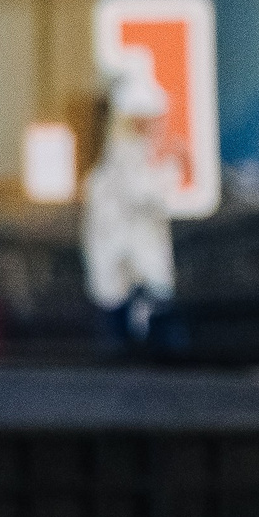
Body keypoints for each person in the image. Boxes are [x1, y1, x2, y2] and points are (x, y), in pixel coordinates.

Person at [83, 67, 176, 355]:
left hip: (134, 274)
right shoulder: (122, 157)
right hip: (125, 273)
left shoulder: (130, 155)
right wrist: (171, 166)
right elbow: (142, 197)